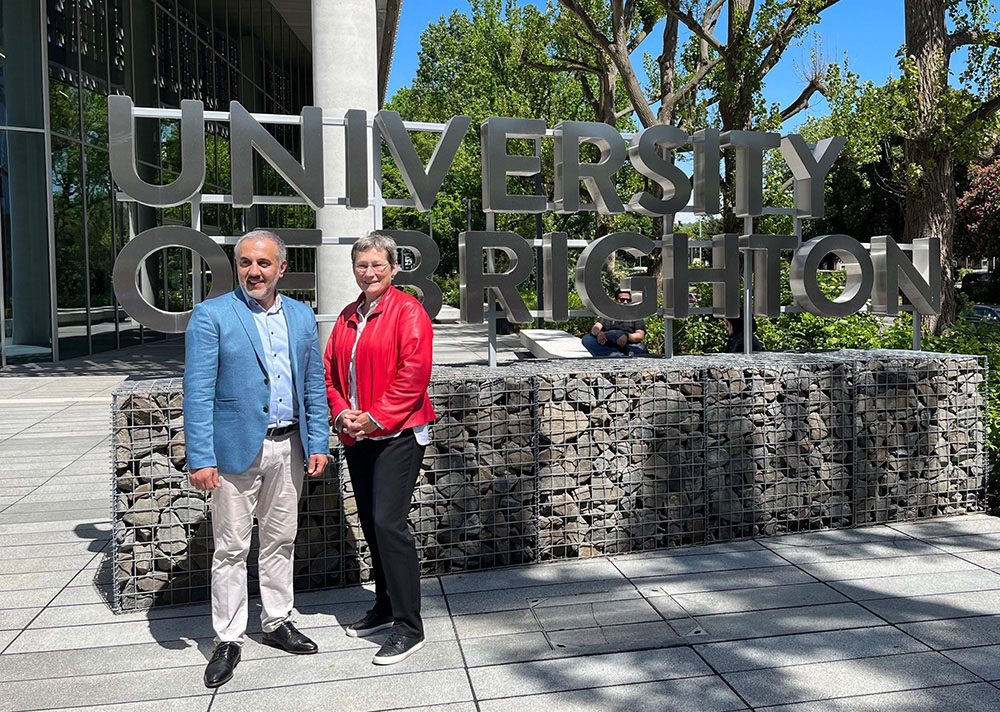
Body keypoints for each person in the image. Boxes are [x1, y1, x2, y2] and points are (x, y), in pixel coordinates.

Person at [184, 229, 330, 689]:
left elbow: (313, 384)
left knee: (280, 540)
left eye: (263, 263)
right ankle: (228, 638)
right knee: (230, 548)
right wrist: (200, 457)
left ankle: (277, 620)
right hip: (233, 451)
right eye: (245, 262)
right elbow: (197, 391)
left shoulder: (302, 316)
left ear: (281, 268)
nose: (254, 271)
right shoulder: (212, 315)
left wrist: (319, 443)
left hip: (290, 447)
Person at [324, 232, 436, 665]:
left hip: (399, 433)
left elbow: (414, 374)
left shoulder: (408, 311)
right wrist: (342, 413)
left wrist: (375, 416)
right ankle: (385, 605)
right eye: (362, 265)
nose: (369, 272)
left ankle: (410, 627)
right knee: (372, 525)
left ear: (393, 268)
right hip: (358, 434)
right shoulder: (348, 315)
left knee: (389, 524)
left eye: (377, 265)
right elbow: (330, 372)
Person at [581, 289, 649, 357]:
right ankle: (615, 354)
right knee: (587, 339)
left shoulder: (635, 315)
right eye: (622, 300)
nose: (625, 302)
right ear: (616, 301)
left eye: (628, 300)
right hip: (608, 342)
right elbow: (596, 327)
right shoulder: (609, 314)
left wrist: (627, 337)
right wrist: (599, 333)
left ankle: (613, 354)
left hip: (628, 343)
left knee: (640, 349)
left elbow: (640, 335)